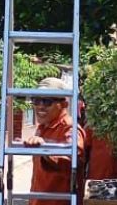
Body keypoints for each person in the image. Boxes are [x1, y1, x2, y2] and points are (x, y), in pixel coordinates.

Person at [24, 77, 85, 205]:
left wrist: (46, 151)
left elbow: (72, 161)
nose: (40, 106)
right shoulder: (42, 127)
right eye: (36, 101)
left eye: (47, 101)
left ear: (64, 105)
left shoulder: (70, 128)